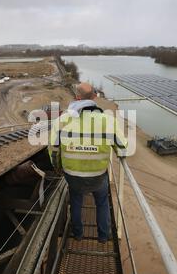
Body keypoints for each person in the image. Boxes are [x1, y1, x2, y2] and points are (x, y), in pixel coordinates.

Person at [48, 82, 128, 243]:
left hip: (73, 176)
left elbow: (54, 150)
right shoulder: (108, 120)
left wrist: (58, 167)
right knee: (102, 202)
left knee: (76, 201)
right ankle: (104, 236)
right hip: (98, 176)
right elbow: (122, 149)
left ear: (77, 97)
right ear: (94, 97)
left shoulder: (62, 120)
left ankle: (78, 234)